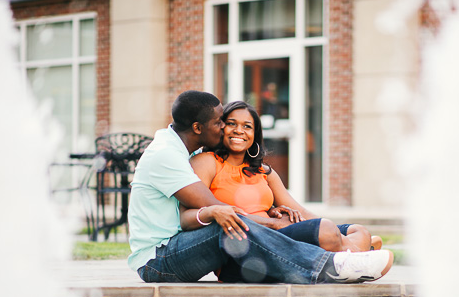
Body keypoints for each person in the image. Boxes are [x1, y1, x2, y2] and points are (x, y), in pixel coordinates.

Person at [127, 90, 393, 284]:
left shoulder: (178, 150)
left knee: (339, 228)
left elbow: (211, 209)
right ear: (197, 128)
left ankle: (349, 255)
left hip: (183, 246)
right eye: (222, 122)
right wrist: (270, 223)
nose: (224, 129)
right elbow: (213, 207)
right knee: (226, 224)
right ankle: (331, 265)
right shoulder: (168, 155)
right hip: (157, 259)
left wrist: (276, 213)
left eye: (245, 126)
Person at [181, 100, 384, 254]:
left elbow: (299, 210)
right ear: (221, 128)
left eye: (247, 126)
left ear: (254, 135)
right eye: (232, 124)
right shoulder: (207, 162)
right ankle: (359, 254)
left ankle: (350, 248)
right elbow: (193, 213)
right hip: (252, 241)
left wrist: (337, 232)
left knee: (358, 230)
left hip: (281, 230)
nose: (239, 131)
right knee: (327, 231)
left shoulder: (263, 171)